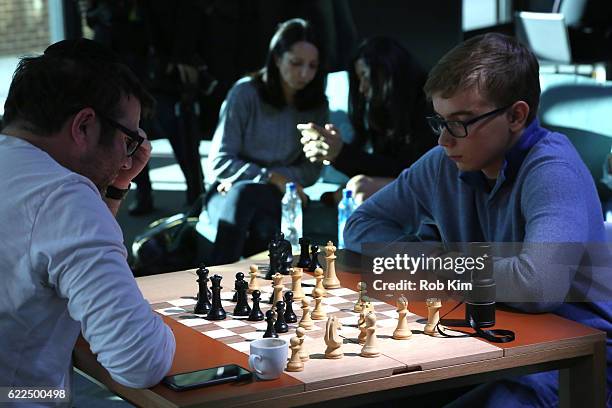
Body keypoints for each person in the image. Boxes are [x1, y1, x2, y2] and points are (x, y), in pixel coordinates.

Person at [344, 33, 612, 406]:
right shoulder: (445, 162)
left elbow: (538, 286)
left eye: (460, 122)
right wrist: (437, 258)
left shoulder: (553, 169)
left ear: (516, 116)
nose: (443, 141)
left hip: (572, 359)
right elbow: (361, 226)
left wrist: (433, 262)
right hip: (486, 336)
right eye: (440, 121)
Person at [0, 39, 175, 399]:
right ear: (83, 126)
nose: (129, 158)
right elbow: (140, 360)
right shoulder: (62, 197)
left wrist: (114, 188)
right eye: (128, 140)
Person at [203, 18, 328, 265]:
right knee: (247, 201)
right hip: (226, 192)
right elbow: (219, 162)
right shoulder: (246, 92)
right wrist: (269, 177)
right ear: (277, 58)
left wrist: (274, 181)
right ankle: (222, 286)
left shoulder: (316, 105)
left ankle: (260, 294)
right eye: (296, 63)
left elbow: (312, 169)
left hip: (279, 193)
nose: (305, 74)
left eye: (313, 66)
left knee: (261, 219)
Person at [299, 36, 436, 205]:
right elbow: (384, 166)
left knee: (359, 188)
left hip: (429, 189)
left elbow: (413, 170)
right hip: (413, 188)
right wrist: (337, 153)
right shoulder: (384, 112)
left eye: (365, 76)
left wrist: (340, 153)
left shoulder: (428, 107)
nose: (362, 88)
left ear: (386, 72)